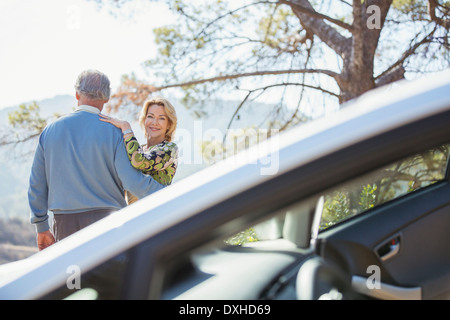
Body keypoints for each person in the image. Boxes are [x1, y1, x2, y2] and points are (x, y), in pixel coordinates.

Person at [28, 70, 165, 251]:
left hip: (64, 224)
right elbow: (133, 182)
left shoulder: (50, 131)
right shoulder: (114, 131)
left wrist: (41, 226)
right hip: (107, 223)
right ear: (107, 98)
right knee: (107, 279)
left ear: (77, 94)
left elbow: (36, 185)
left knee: (74, 278)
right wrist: (169, 193)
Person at [99, 97, 179, 204]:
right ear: (144, 119)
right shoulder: (139, 148)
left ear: (169, 124)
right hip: (134, 212)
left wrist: (126, 127)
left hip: (157, 210)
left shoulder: (170, 149)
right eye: (150, 116)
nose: (155, 122)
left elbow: (139, 161)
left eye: (161, 118)